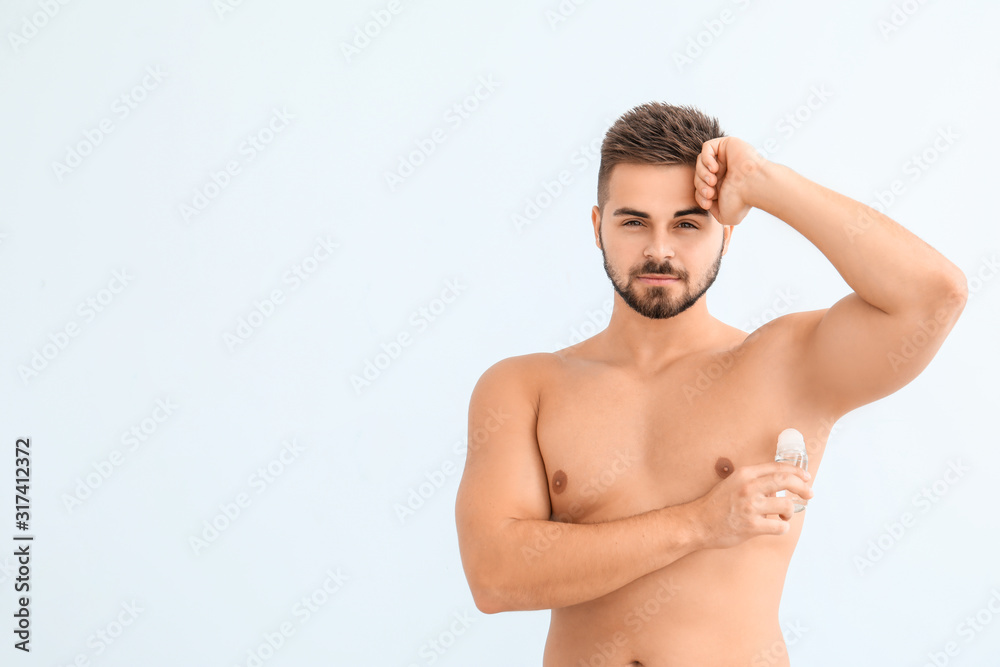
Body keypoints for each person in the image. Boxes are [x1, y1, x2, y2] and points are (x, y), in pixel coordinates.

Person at [454, 102, 967, 666]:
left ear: (726, 232)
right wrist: (703, 522)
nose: (659, 249)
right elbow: (495, 575)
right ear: (598, 229)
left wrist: (763, 182)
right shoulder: (525, 387)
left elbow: (933, 295)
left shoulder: (787, 364)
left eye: (686, 223)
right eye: (633, 221)